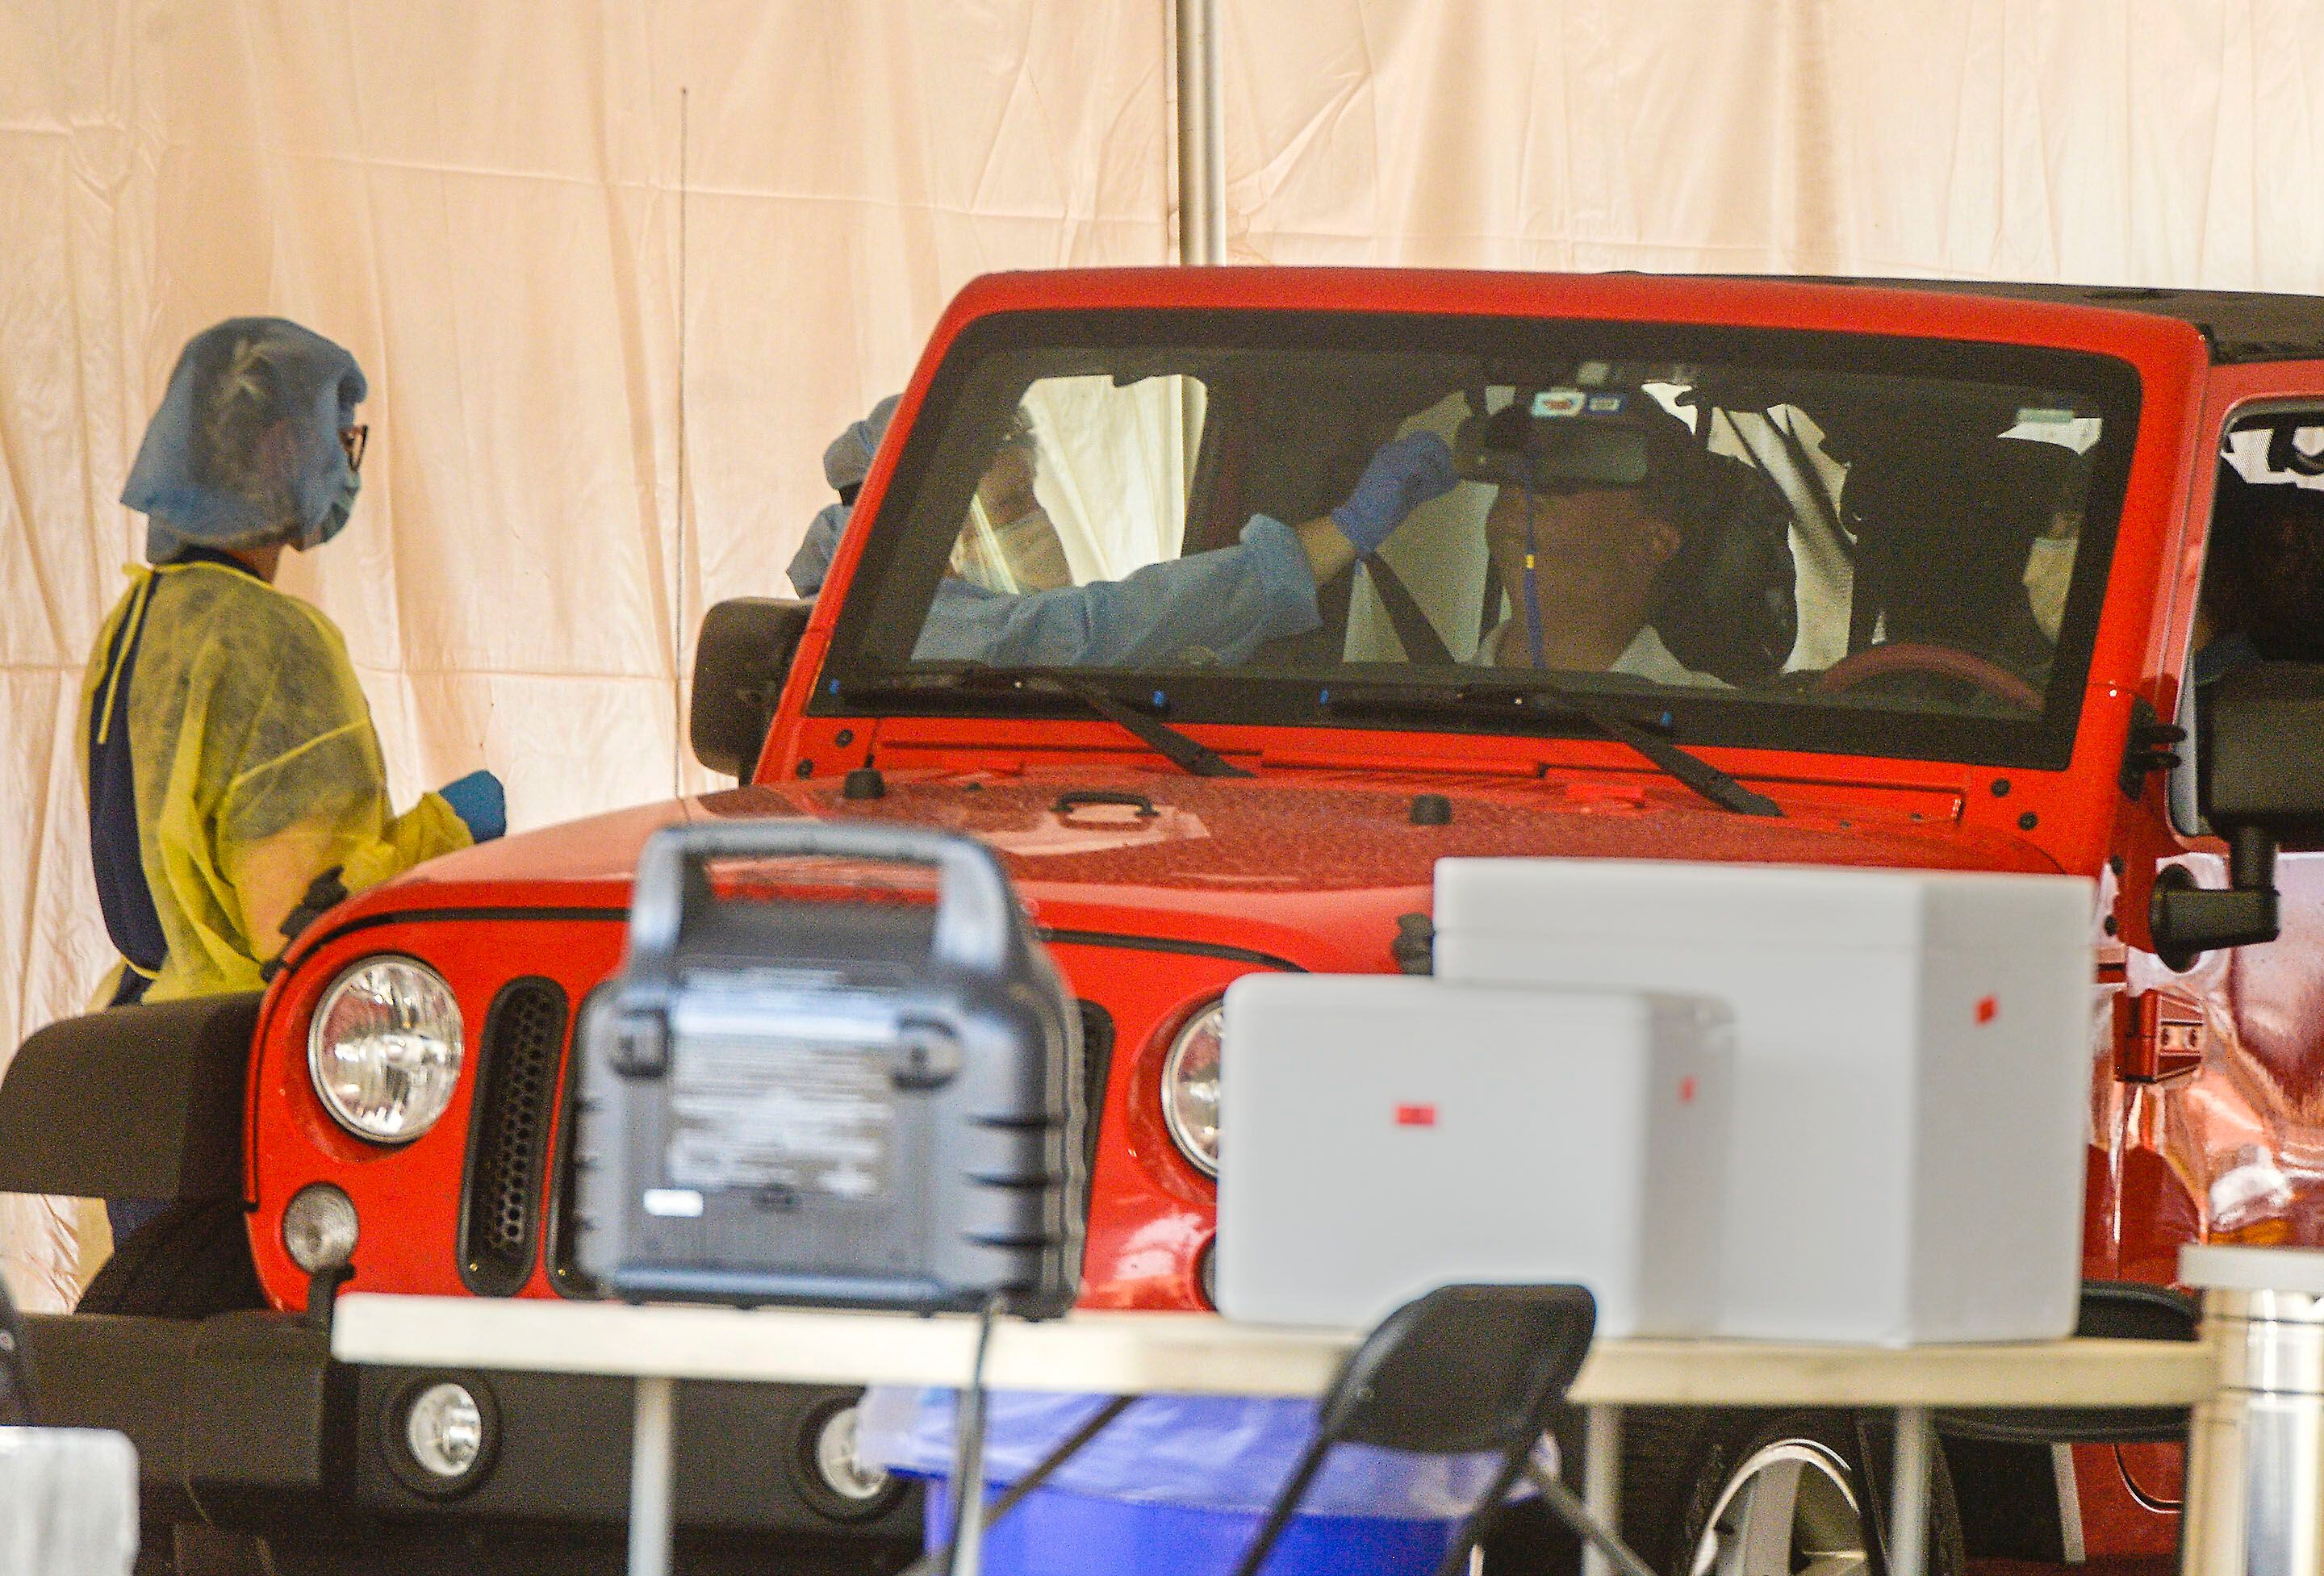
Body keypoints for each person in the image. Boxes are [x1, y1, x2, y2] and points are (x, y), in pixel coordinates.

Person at [86, 318, 504, 1240]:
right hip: (239, 1077)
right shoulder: (271, 643)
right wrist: (451, 832)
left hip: (141, 1060)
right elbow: (302, 921)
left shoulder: (134, 626)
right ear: (278, 445)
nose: (345, 464)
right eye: (338, 436)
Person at [788, 395, 1455, 667]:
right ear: (922, 526)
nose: (1039, 524)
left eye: (1033, 498)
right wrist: (1344, 530)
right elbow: (1097, 630)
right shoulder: (902, 629)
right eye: (1012, 507)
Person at [1471, 419, 1737, 688]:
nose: (1523, 482)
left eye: (1574, 462)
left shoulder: (1719, 721)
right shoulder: (1433, 699)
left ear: (1652, 544)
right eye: (1525, 459)